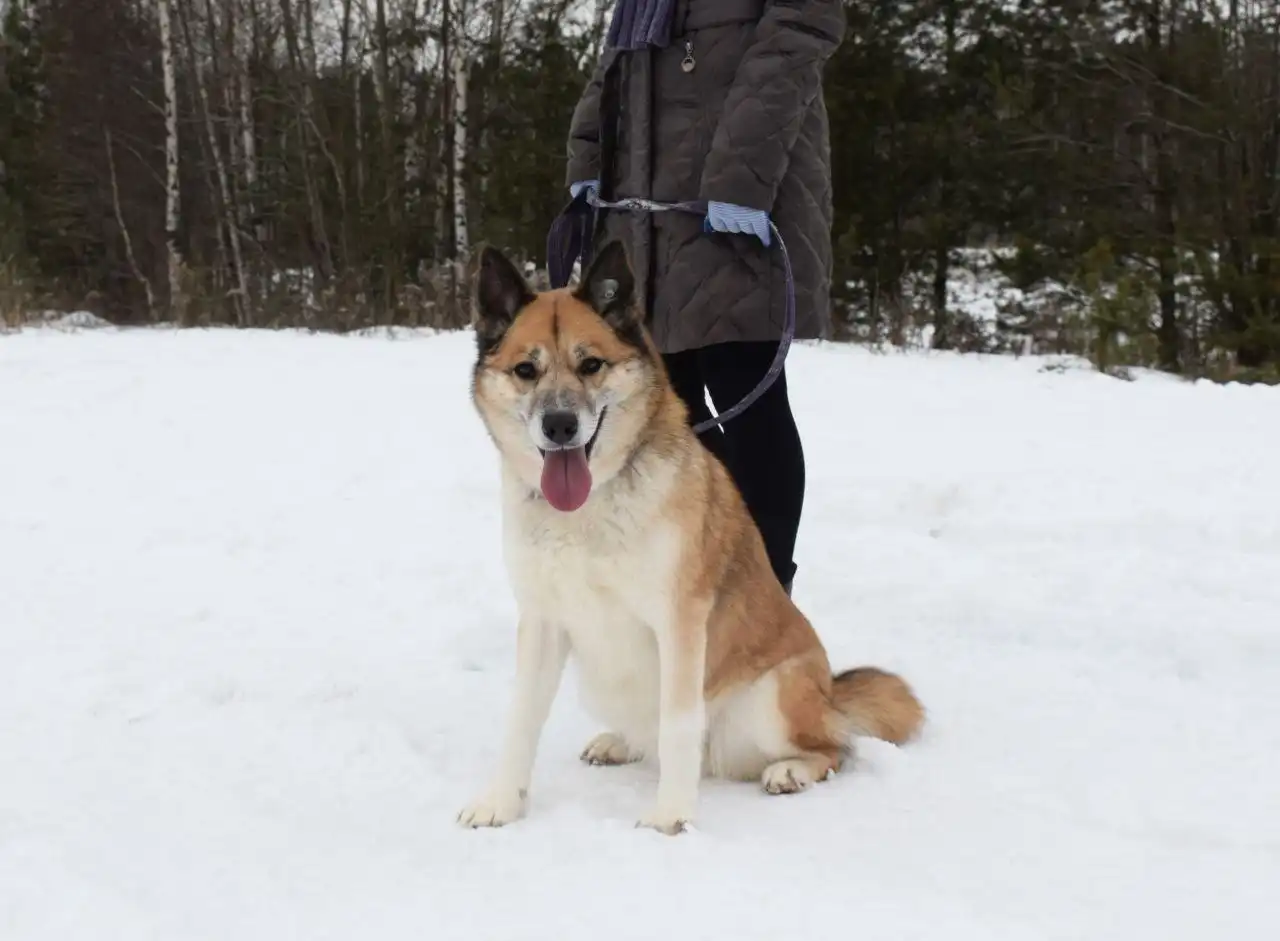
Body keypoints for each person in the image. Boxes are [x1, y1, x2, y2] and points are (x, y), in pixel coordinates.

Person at [562, 0, 846, 596]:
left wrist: (741, 180)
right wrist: (589, 155)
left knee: (745, 390)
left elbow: (798, 36)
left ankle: (762, 595)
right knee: (668, 404)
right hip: (646, 213)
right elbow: (618, 60)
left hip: (741, 201)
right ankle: (689, 582)